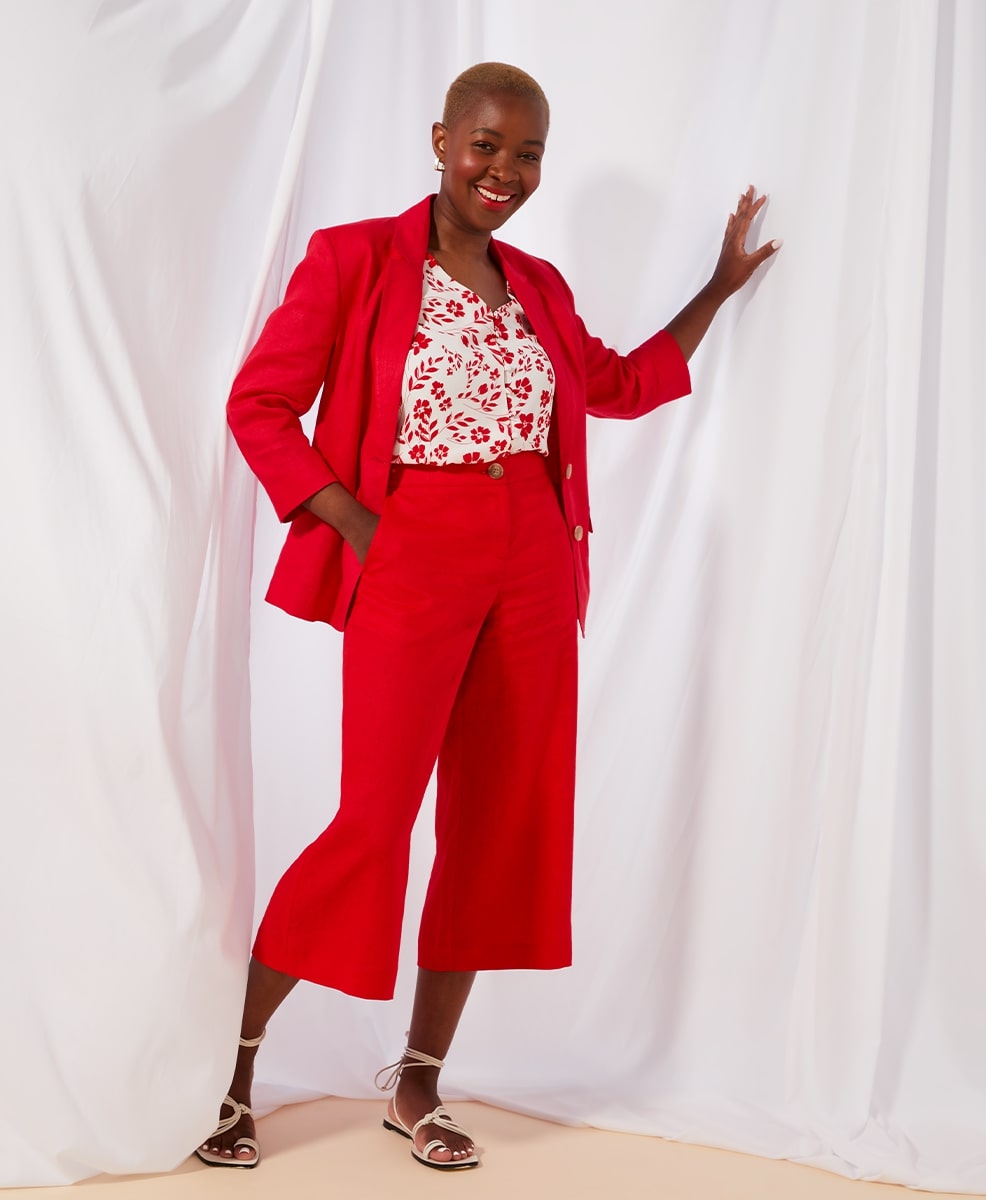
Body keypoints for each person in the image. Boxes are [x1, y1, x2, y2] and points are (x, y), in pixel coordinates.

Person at [198, 61, 780, 1173]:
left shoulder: (541, 287)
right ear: (439, 138)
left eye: (525, 154)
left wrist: (715, 289)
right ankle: (231, 1073)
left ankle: (415, 1084)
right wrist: (362, 528)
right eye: (484, 145)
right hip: (414, 544)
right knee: (370, 822)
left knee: (494, 823)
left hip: (532, 556)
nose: (502, 171)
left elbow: (611, 385)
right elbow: (258, 404)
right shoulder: (354, 258)